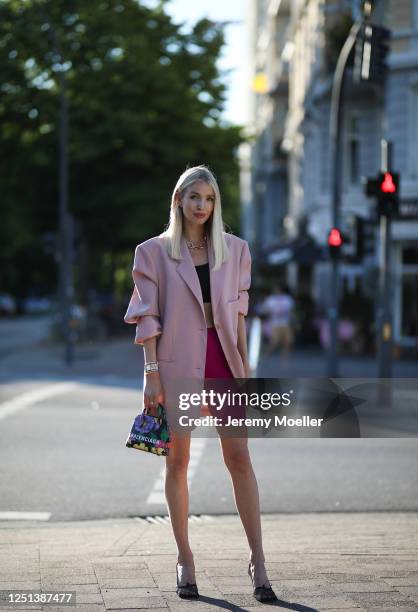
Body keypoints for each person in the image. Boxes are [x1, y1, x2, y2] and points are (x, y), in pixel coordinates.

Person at [124, 165, 277, 603]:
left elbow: (240, 314)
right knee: (177, 463)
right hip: (175, 365)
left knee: (240, 459)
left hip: (224, 363)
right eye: (194, 197)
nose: (202, 206)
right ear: (178, 200)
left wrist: (245, 370)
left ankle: (258, 560)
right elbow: (146, 316)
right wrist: (151, 372)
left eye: (209, 199)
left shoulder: (236, 250)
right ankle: (185, 559)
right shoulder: (152, 252)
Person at [262, 283, 294, 364]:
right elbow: (266, 310)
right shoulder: (270, 299)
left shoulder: (287, 299)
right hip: (275, 324)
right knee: (274, 342)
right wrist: (272, 313)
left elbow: (290, 311)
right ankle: (265, 356)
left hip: (285, 324)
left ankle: (285, 360)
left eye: (277, 289)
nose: (276, 290)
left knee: (287, 342)